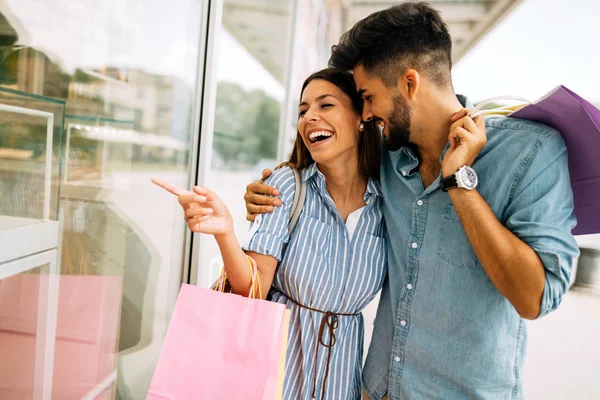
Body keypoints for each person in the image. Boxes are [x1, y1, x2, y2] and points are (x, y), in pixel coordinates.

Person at [244, 2, 580, 399]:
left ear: (409, 83)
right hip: (378, 389)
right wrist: (270, 190)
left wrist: (459, 182)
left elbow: (535, 298)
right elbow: (326, 172)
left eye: (368, 97)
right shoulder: (385, 154)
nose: (365, 114)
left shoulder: (532, 152)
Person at [153, 68, 387, 400]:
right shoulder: (287, 186)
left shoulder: (385, 203)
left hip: (341, 380)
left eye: (326, 105)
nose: (309, 118)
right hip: (272, 373)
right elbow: (254, 285)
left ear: (361, 116)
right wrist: (225, 232)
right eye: (303, 111)